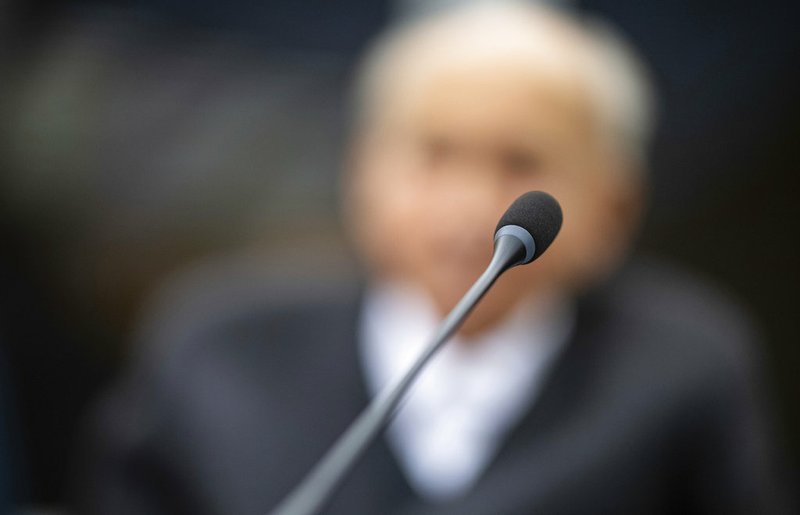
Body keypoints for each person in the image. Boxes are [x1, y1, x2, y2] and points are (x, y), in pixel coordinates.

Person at [76, 2, 788, 514]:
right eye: (433, 153)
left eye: (522, 160)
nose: (470, 203)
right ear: (361, 173)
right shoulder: (220, 350)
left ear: (615, 206)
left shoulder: (681, 368)